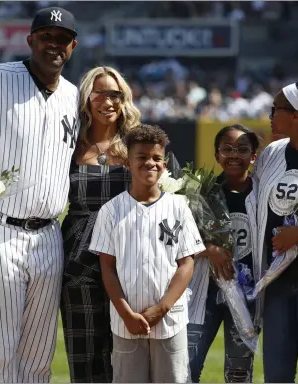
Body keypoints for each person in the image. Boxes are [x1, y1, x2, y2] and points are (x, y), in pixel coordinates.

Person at [0, 7, 79, 383]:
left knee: (39, 355)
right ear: (30, 41)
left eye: (62, 39)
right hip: (1, 229)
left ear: (72, 47)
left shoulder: (73, 96)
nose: (54, 45)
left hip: (49, 236)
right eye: (46, 37)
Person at [89, 124, 205, 383]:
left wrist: (162, 308)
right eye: (142, 157)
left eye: (156, 158)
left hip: (170, 321)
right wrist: (126, 314)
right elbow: (107, 267)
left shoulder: (178, 207)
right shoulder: (111, 211)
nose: (150, 163)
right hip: (126, 323)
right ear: (128, 163)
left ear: (164, 165)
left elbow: (187, 263)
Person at [60, 66, 140, 383]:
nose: (107, 101)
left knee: (126, 354)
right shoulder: (68, 145)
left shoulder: (139, 146)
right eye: (100, 93)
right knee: (84, 355)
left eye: (115, 94)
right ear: (87, 99)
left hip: (128, 260)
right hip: (78, 261)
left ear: (124, 99)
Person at [187, 124, 262, 383]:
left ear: (254, 156)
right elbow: (179, 242)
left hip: (248, 299)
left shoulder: (264, 195)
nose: (234, 155)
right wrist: (210, 250)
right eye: (227, 149)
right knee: (185, 368)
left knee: (239, 374)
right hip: (204, 294)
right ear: (217, 154)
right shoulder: (199, 193)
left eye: (242, 149)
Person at [254, 82, 298, 382]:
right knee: (276, 375)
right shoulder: (272, 152)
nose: (270, 115)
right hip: (276, 283)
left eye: (277, 110)